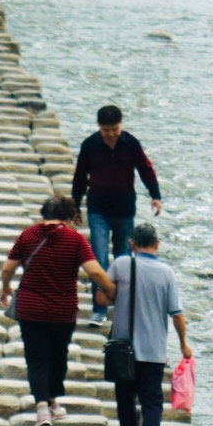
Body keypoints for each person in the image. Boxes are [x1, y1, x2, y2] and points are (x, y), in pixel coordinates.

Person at [0, 193, 112, 426]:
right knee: (58, 356)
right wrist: (112, 291)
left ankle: (43, 407)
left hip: (30, 309)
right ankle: (50, 403)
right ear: (69, 217)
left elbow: (8, 267)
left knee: (36, 358)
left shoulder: (28, 235)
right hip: (62, 310)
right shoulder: (75, 239)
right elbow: (96, 273)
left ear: (44, 215)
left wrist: (6, 287)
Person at [101, 218, 190, 426]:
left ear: (132, 244)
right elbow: (177, 314)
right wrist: (184, 344)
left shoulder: (121, 264)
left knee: (125, 399)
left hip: (123, 347)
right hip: (153, 350)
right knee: (152, 403)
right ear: (157, 245)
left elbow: (102, 297)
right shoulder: (167, 273)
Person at [72, 102, 161, 308]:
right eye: (106, 130)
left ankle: (121, 305)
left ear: (120, 125)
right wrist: (76, 207)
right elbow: (80, 177)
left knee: (123, 260)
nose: (111, 134)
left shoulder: (131, 143)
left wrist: (155, 195)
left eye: (115, 129)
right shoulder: (90, 145)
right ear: (98, 126)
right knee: (99, 258)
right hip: (98, 210)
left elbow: (145, 169)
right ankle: (100, 307)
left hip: (124, 210)